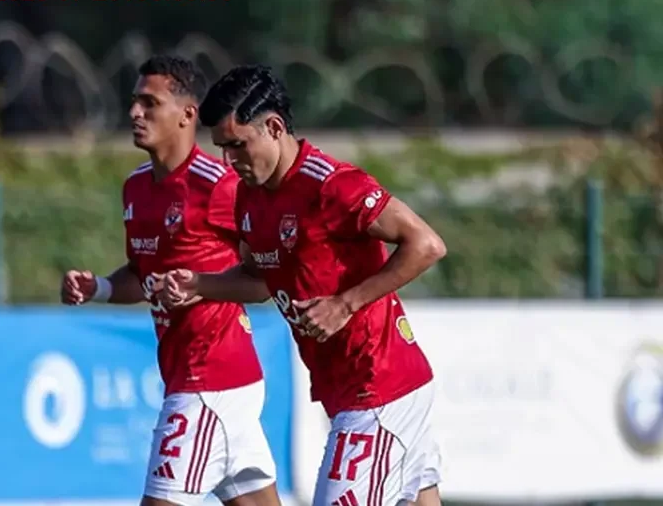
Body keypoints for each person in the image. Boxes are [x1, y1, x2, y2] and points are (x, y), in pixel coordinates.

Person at [160, 65, 447, 506]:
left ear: (274, 128)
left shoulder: (332, 185)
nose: (229, 162)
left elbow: (426, 245)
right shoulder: (249, 196)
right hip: (349, 390)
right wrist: (200, 284)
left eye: (238, 145)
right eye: (222, 148)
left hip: (379, 387)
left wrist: (345, 304)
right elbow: (259, 281)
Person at [60, 56, 281, 506]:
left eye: (149, 102)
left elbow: (262, 282)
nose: (135, 113)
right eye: (134, 102)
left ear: (187, 114)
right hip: (193, 376)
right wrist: (99, 287)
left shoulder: (220, 186)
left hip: (211, 379)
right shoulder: (136, 187)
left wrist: (199, 285)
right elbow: (141, 275)